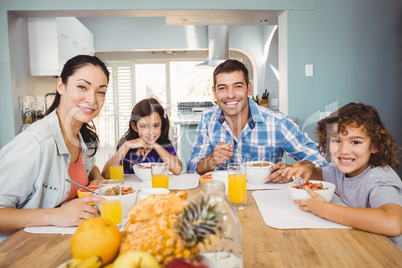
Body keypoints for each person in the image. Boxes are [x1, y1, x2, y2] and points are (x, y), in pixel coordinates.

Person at [0, 55, 109, 236]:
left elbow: (89, 168)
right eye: (82, 87)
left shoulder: (83, 137)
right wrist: (55, 215)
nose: (92, 99)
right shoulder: (35, 143)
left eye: (101, 91)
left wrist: (96, 179)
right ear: (61, 86)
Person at [282, 102, 402, 248]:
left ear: (374, 145)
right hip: (354, 245)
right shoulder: (339, 170)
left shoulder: (379, 177)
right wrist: (308, 168)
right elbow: (320, 175)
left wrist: (324, 209)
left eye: (356, 142)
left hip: (382, 255)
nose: (344, 150)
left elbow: (393, 223)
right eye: (337, 140)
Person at [186, 59, 326, 181]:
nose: (230, 95)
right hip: (222, 197)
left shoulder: (277, 122)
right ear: (215, 92)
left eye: (238, 86)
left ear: (248, 89)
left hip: (266, 200)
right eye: (223, 88)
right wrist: (213, 159)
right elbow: (192, 169)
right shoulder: (208, 119)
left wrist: (293, 170)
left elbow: (321, 161)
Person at [102, 98, 182, 177]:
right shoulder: (127, 144)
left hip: (156, 188)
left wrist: (155, 145)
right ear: (135, 127)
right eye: (144, 126)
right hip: (132, 189)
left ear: (162, 125)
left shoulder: (164, 144)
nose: (151, 132)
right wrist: (126, 145)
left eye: (155, 126)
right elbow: (106, 175)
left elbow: (177, 169)